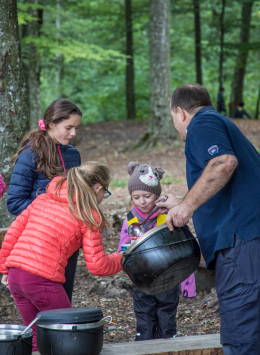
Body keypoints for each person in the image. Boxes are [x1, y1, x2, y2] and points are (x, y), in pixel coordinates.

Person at [157, 83, 260, 355]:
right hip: (248, 239)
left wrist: (186, 207)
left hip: (241, 245)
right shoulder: (221, 123)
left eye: (172, 118)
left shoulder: (202, 124)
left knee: (242, 336)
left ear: (180, 112)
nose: (175, 124)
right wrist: (181, 201)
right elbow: (229, 189)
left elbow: (224, 162)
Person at [0, 161, 122, 352]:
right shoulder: (88, 215)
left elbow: (12, 234)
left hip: (16, 275)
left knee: (35, 339)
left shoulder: (43, 199)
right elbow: (98, 265)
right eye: (104, 193)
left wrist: (5, 269)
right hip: (41, 280)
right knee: (69, 335)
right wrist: (122, 258)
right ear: (98, 188)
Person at [7, 99, 82, 303]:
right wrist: (49, 216)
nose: (73, 133)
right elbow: (14, 202)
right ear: (51, 124)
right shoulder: (30, 154)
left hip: (68, 243)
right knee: (48, 303)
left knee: (64, 299)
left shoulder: (74, 155)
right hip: (40, 244)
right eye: (69, 127)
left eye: (76, 128)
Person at [118, 161, 196, 341]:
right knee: (144, 320)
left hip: (169, 279)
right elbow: (123, 253)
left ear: (157, 195)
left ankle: (168, 347)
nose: (142, 201)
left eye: (147, 196)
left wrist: (188, 286)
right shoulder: (130, 221)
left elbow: (184, 252)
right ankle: (144, 348)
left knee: (167, 319)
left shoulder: (169, 216)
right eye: (136, 197)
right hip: (142, 283)